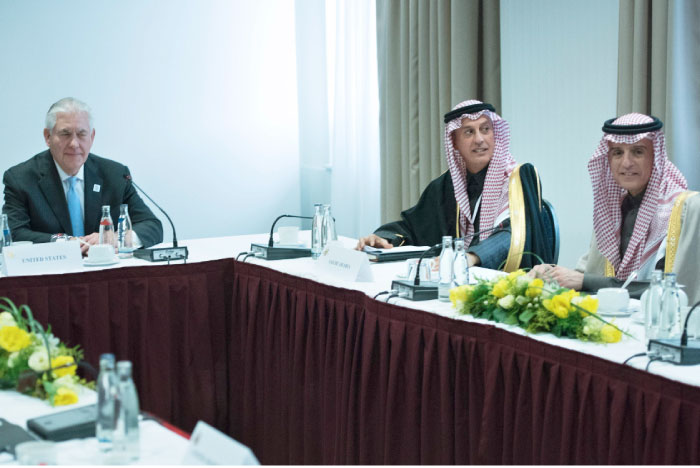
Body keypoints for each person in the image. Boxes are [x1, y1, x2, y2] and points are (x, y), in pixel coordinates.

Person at [356, 99, 556, 271]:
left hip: (504, 284)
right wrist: (383, 238)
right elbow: (413, 226)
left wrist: (471, 257)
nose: (479, 139)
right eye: (469, 132)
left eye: (485, 130)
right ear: (454, 142)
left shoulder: (518, 179)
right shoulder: (447, 185)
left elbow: (515, 233)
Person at [531, 113, 700, 303]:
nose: (626, 163)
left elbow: (670, 291)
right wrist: (550, 274)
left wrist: (586, 280)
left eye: (638, 152)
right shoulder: (612, 210)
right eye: (618, 153)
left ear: (656, 157)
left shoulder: (686, 210)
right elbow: (586, 274)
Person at [2, 97, 163, 254]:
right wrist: (66, 243)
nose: (74, 144)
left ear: (92, 137)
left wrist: (115, 237)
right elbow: (14, 234)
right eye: (65, 134)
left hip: (105, 272)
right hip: (52, 275)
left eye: (81, 134)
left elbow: (152, 226)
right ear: (48, 137)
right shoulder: (21, 179)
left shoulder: (115, 175)